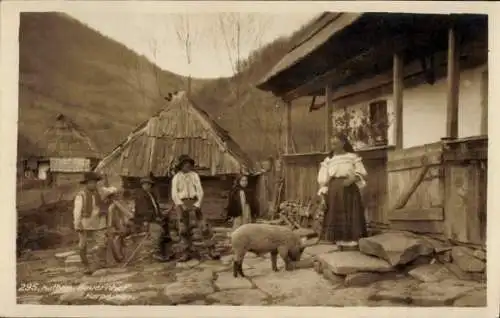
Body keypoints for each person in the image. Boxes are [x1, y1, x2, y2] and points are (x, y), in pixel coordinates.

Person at [317, 133, 368, 249]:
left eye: (336, 143)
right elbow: (323, 180)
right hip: (334, 191)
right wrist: (323, 197)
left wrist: (352, 179)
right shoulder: (329, 160)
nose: (333, 145)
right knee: (336, 214)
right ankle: (339, 241)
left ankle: (352, 241)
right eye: (332, 143)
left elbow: (362, 172)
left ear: (344, 143)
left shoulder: (352, 157)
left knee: (351, 213)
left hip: (350, 189)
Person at [171, 154, 220, 262]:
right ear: (181, 166)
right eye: (185, 164)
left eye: (189, 164)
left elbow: (200, 191)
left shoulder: (194, 176)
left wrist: (197, 204)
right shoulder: (176, 178)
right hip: (181, 204)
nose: (187, 166)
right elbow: (174, 194)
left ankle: (212, 250)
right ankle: (186, 252)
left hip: (194, 202)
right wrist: (181, 204)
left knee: (204, 227)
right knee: (183, 229)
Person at [73, 172, 107, 275]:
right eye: (90, 183)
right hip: (85, 223)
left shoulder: (99, 193)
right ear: (86, 183)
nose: (93, 185)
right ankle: (86, 265)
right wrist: (77, 223)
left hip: (98, 222)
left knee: (101, 244)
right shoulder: (81, 195)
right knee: (82, 245)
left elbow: (112, 190)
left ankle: (97, 263)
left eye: (94, 183)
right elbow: (77, 210)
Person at [133, 177, 173, 262]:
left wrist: (161, 214)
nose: (148, 186)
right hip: (145, 219)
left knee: (166, 227)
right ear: (142, 185)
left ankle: (165, 252)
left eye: (149, 184)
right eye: (146, 184)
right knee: (157, 231)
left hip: (153, 218)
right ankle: (156, 253)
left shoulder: (151, 194)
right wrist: (152, 219)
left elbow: (155, 207)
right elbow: (144, 210)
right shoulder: (141, 196)